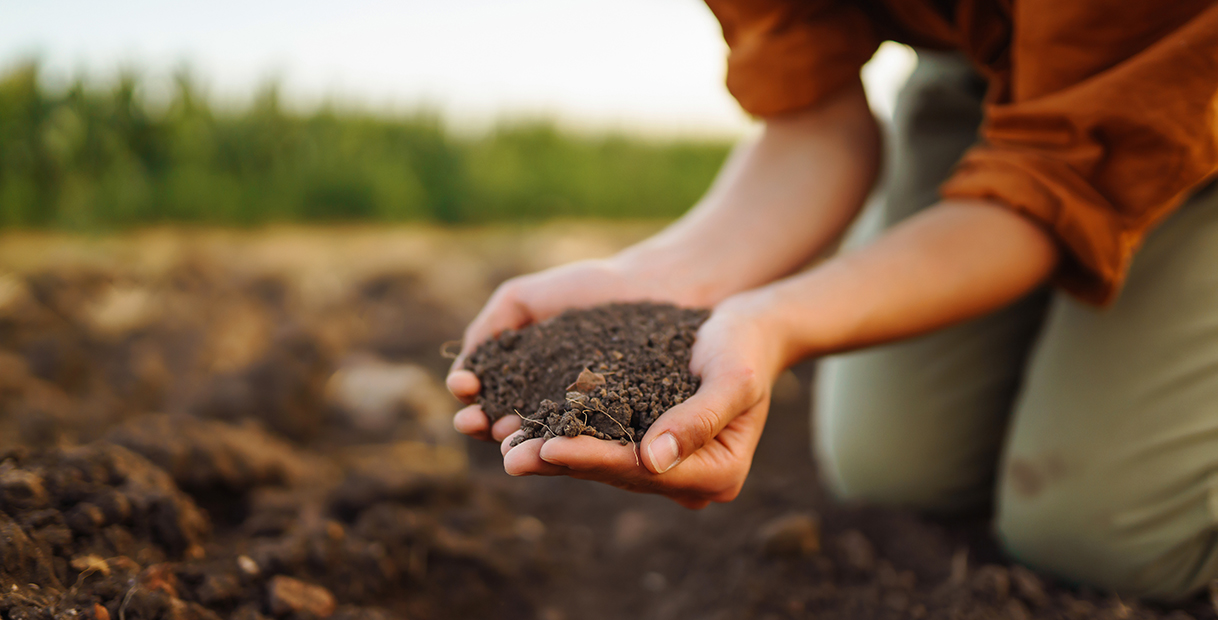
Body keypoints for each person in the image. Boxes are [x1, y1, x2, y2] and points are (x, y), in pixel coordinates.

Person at [447, 0, 1218, 600]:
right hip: (990, 69)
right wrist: (664, 281)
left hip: (1186, 74)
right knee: (896, 470)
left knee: (1100, 538)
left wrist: (779, 321)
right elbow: (814, 122)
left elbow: (1051, 187)